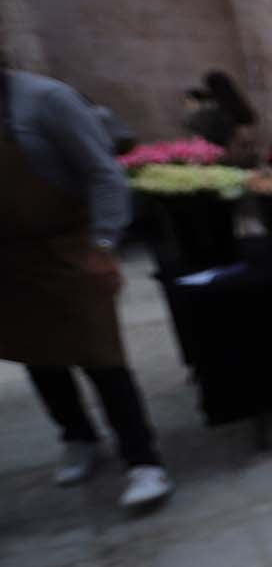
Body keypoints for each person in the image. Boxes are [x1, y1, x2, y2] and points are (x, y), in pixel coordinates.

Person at [1, 61, 173, 510]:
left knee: (100, 354)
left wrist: (102, 242)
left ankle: (142, 459)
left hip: (69, 246)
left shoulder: (45, 100)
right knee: (38, 353)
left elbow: (102, 171)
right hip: (12, 257)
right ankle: (77, 436)